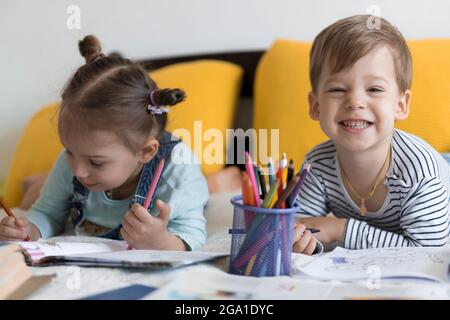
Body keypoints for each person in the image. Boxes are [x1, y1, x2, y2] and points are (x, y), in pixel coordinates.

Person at [0, 35, 209, 251]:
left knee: (201, 191)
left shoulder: (177, 172)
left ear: (145, 151)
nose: (78, 171)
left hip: (178, 178)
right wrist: (28, 230)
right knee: (34, 196)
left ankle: (219, 180)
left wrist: (160, 241)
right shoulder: (76, 162)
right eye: (69, 151)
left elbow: (191, 235)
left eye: (96, 162)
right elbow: (47, 212)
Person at [292, 15, 450, 254]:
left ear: (401, 105)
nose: (355, 101)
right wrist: (303, 241)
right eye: (337, 89)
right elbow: (305, 228)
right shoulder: (317, 164)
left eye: (374, 89)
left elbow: (429, 252)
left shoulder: (420, 173)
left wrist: (341, 230)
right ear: (315, 106)